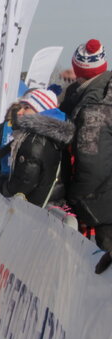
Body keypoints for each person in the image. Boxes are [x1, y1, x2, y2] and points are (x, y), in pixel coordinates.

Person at [60, 39, 112, 251]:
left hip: (103, 208)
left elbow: (94, 165)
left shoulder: (94, 111)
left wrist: (77, 199)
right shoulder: (93, 94)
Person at [0, 89, 74, 207]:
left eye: (26, 108)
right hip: (49, 207)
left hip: (32, 213)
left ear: (40, 111)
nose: (19, 112)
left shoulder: (35, 140)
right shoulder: (52, 138)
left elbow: (21, 186)